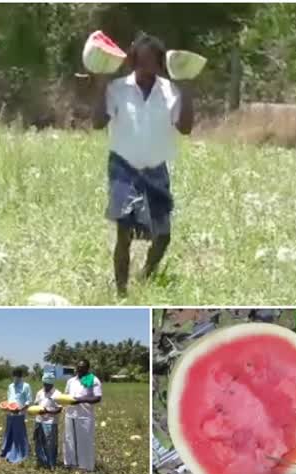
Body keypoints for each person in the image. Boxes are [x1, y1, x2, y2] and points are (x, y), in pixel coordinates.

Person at [92, 32, 195, 297]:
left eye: (151, 61)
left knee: (163, 236)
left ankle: (147, 273)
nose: (144, 66)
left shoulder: (169, 91)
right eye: (140, 60)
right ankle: (121, 292)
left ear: (160, 64)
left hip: (155, 168)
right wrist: (101, 84)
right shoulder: (117, 89)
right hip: (124, 167)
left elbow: (185, 128)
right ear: (133, 60)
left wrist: (187, 90)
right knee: (124, 234)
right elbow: (97, 123)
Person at [63, 359, 103, 471]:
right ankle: (70, 464)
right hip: (70, 414)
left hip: (84, 416)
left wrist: (81, 400)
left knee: (85, 441)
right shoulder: (71, 381)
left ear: (87, 368)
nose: (79, 369)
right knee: (69, 439)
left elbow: (97, 397)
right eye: (78, 367)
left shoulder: (92, 380)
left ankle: (85, 467)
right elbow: (66, 395)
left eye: (82, 367)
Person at [0, 368, 32, 463]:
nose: (16, 378)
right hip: (10, 413)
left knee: (19, 435)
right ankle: (7, 451)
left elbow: (29, 400)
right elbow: (9, 399)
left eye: (18, 376)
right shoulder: (10, 386)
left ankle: (20, 454)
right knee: (9, 433)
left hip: (19, 414)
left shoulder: (26, 386)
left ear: (21, 376)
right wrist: (6, 406)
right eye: (14, 376)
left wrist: (21, 409)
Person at [33, 371, 63, 469]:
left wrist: (47, 411)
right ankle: (41, 461)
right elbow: (36, 404)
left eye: (47, 384)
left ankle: (51, 463)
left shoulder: (57, 394)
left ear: (52, 383)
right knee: (38, 441)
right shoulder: (40, 392)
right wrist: (36, 410)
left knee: (50, 443)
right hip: (39, 420)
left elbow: (59, 409)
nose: (45, 386)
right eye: (44, 384)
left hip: (50, 422)